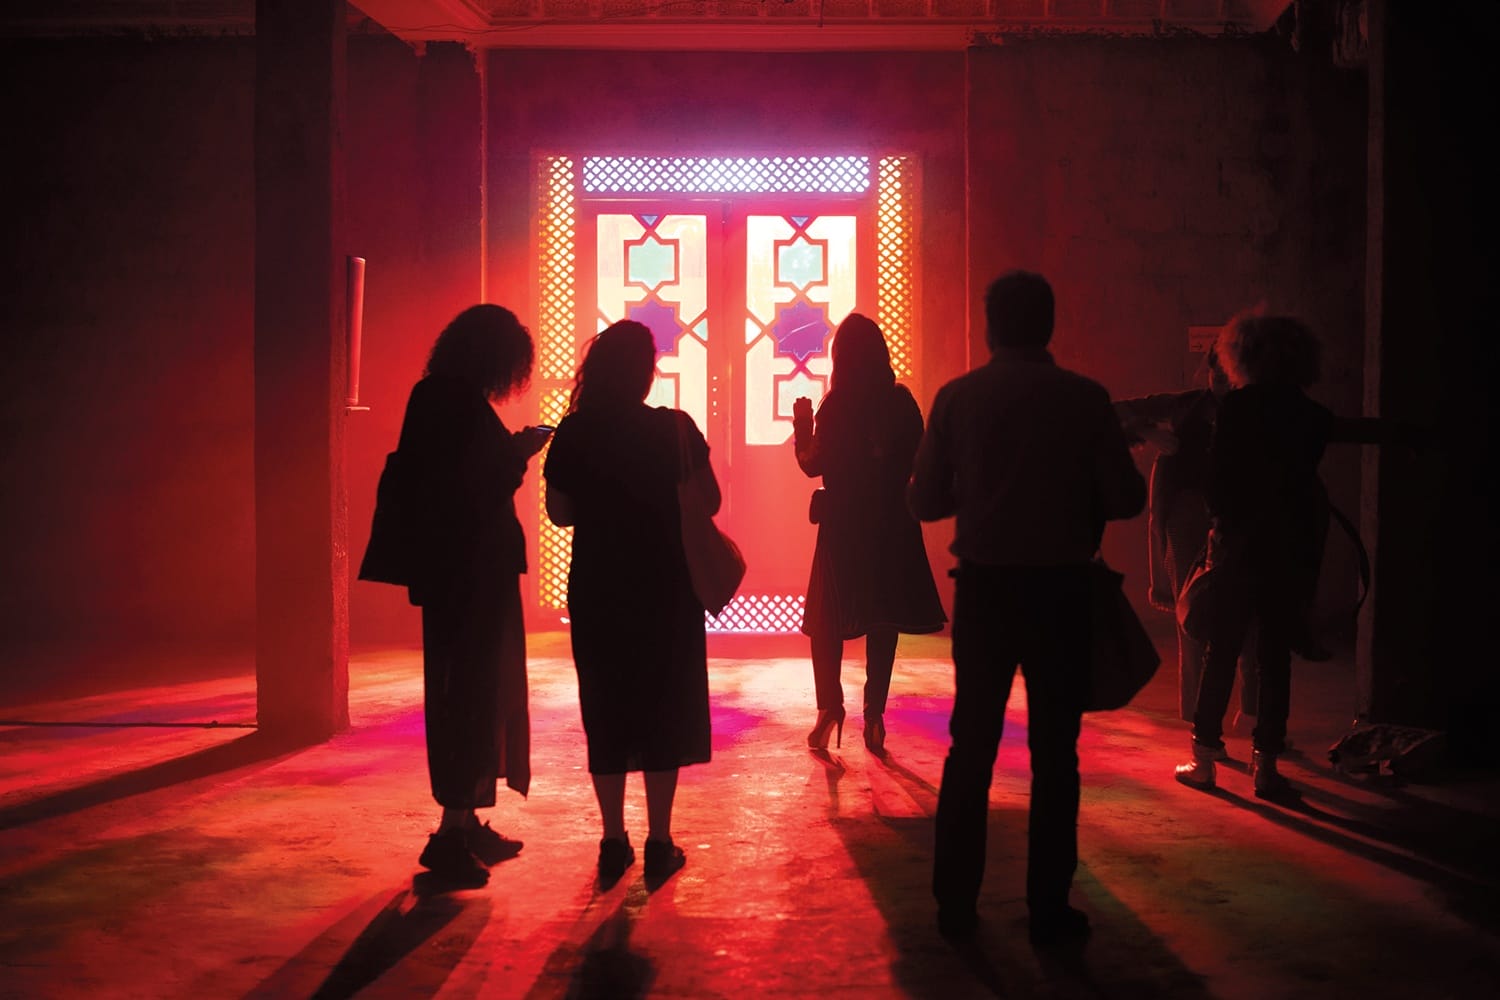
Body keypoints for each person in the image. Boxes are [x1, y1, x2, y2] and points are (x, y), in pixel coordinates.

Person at [908, 271, 1146, 945]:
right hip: (1062, 593)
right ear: (1050, 325)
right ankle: (1048, 908)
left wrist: (982, 494)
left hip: (985, 591)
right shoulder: (1086, 399)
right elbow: (1126, 499)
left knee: (971, 748)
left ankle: (955, 905)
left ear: (990, 328)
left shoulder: (957, 398)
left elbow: (924, 503)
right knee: (1054, 754)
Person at [1173, 312, 1398, 799]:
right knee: (1275, 659)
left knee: (1221, 652)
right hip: (1289, 550)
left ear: (1243, 354)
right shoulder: (1312, 417)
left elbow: (1218, 485)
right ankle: (1266, 767)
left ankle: (1205, 760)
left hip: (1238, 548)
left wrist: (1222, 523)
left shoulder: (1235, 409)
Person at [542, 320, 718, 888]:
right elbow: (711, 500)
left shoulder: (575, 431)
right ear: (646, 372)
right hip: (667, 588)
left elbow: (561, 514)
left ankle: (613, 838)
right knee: (665, 705)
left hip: (599, 587)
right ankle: (660, 839)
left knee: (607, 708)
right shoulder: (675, 429)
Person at [395, 304, 551, 884]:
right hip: (469, 574)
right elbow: (468, 485)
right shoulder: (454, 403)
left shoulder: (438, 398)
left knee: (472, 692)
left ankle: (462, 822)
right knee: (470, 695)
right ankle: (449, 832)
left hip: (456, 573)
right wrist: (516, 454)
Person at [792, 313, 947, 755]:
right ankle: (875, 715)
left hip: (842, 527)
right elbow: (922, 460)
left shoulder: (835, 406)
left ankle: (829, 710)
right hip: (892, 525)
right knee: (884, 619)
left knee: (827, 618)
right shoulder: (901, 403)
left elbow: (811, 464)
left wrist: (802, 423)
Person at [1114, 350, 1272, 733]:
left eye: (1227, 367)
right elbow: (1110, 412)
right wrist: (1147, 431)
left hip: (1237, 520)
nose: (1219, 374)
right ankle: (1198, 718)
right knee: (1193, 618)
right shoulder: (1185, 405)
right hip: (1186, 520)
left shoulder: (1256, 410)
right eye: (1214, 366)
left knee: (1248, 618)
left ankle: (1249, 712)